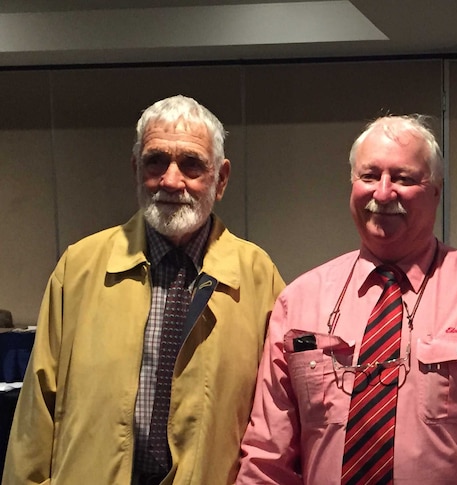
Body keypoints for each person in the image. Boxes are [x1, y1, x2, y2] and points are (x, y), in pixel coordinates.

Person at [236, 114, 457, 484]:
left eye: (403, 178)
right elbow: (267, 457)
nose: (382, 193)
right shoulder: (298, 302)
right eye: (368, 176)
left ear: (436, 191)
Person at [3, 95, 285, 485]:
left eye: (191, 164)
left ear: (220, 179)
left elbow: (277, 424)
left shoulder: (259, 278)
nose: (171, 180)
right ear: (136, 168)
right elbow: (36, 415)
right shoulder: (79, 268)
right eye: (156, 161)